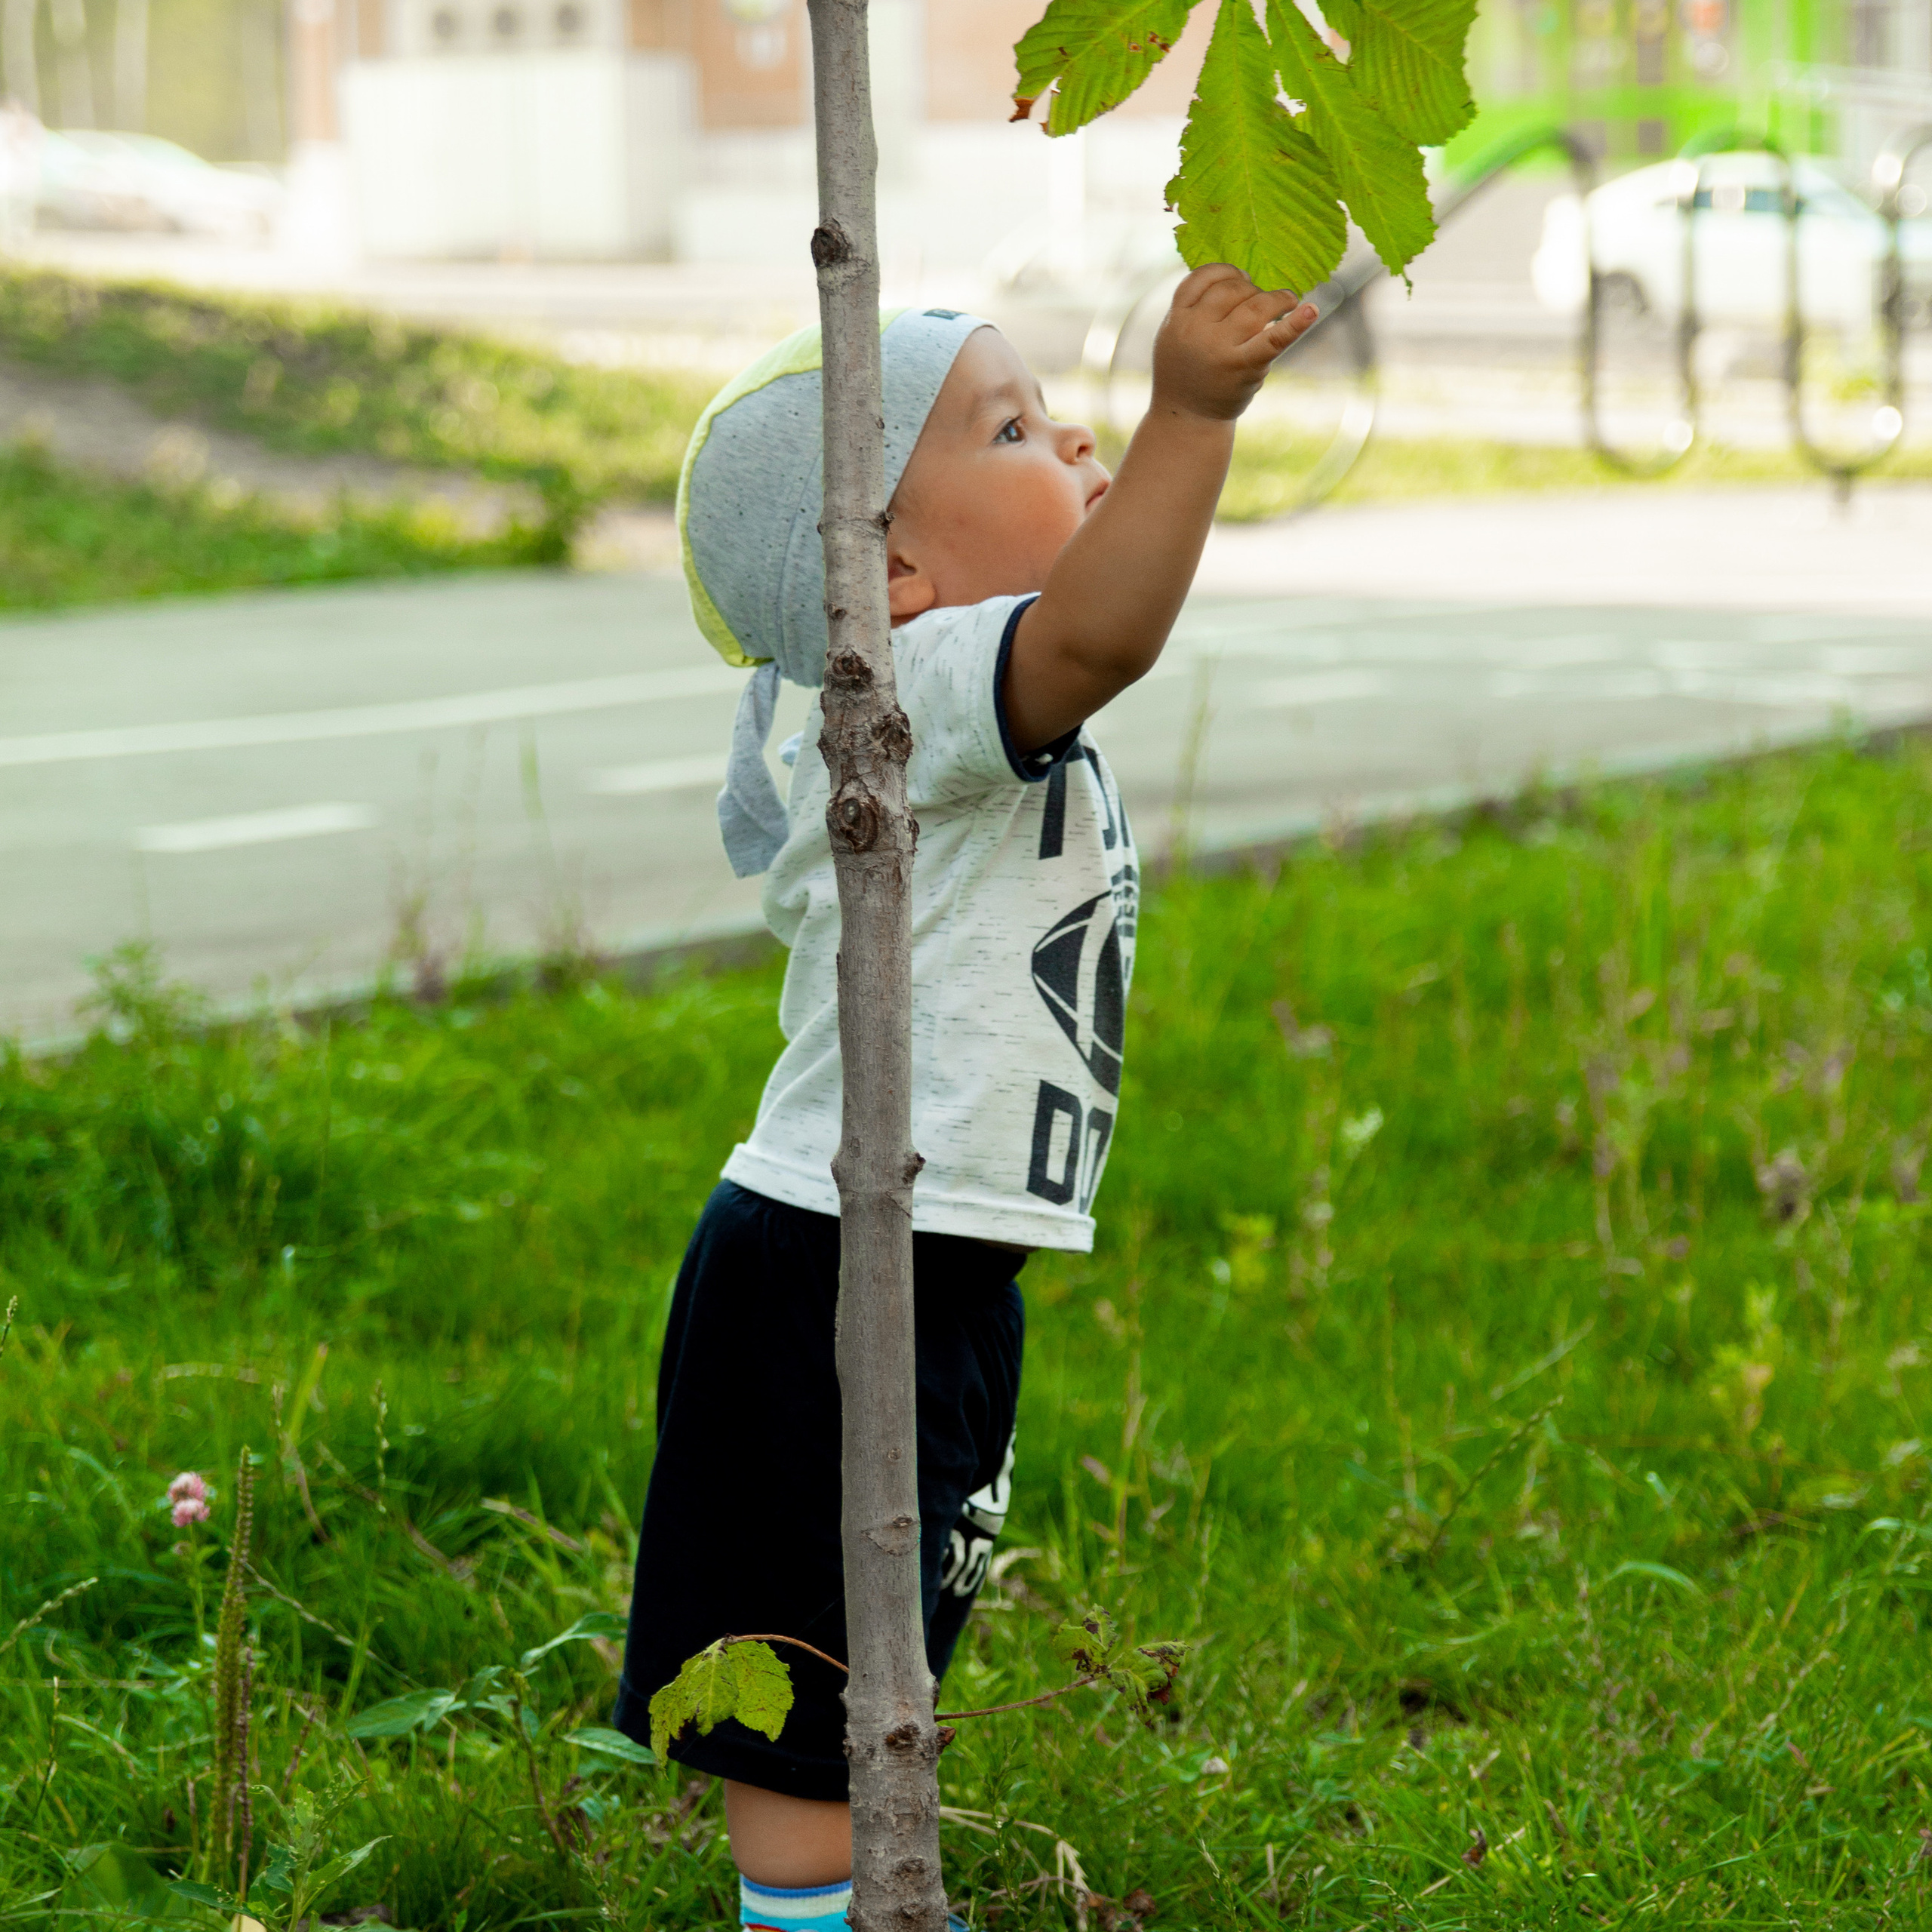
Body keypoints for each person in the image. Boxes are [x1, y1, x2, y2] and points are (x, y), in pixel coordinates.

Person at [613, 265, 1318, 1931]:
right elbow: (1099, 628)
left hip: (930, 1257)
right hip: (834, 1262)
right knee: (805, 1697)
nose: (1069, 433)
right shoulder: (905, 687)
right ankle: (807, 1914)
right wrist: (1189, 421)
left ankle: (847, 1899)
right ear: (890, 573)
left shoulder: (923, 701)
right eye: (1011, 426)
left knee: (878, 1651)